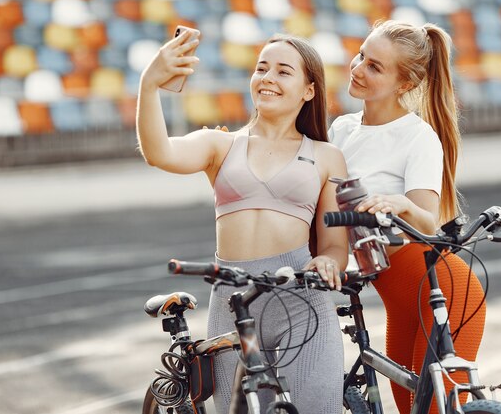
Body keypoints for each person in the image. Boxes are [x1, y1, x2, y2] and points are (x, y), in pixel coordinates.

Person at [136, 29, 347, 414]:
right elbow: (159, 153)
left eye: (283, 71)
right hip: (232, 303)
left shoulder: (327, 156)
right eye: (261, 68)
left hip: (302, 301)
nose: (267, 77)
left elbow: (334, 244)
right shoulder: (220, 145)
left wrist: (330, 260)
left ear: (309, 91)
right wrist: (149, 84)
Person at [329, 20, 486, 414]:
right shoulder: (341, 129)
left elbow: (427, 222)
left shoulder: (417, 136)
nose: (358, 68)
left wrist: (398, 203)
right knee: (408, 405)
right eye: (362, 55)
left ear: (404, 84)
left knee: (434, 408)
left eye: (375, 66)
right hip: (398, 298)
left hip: (448, 292)